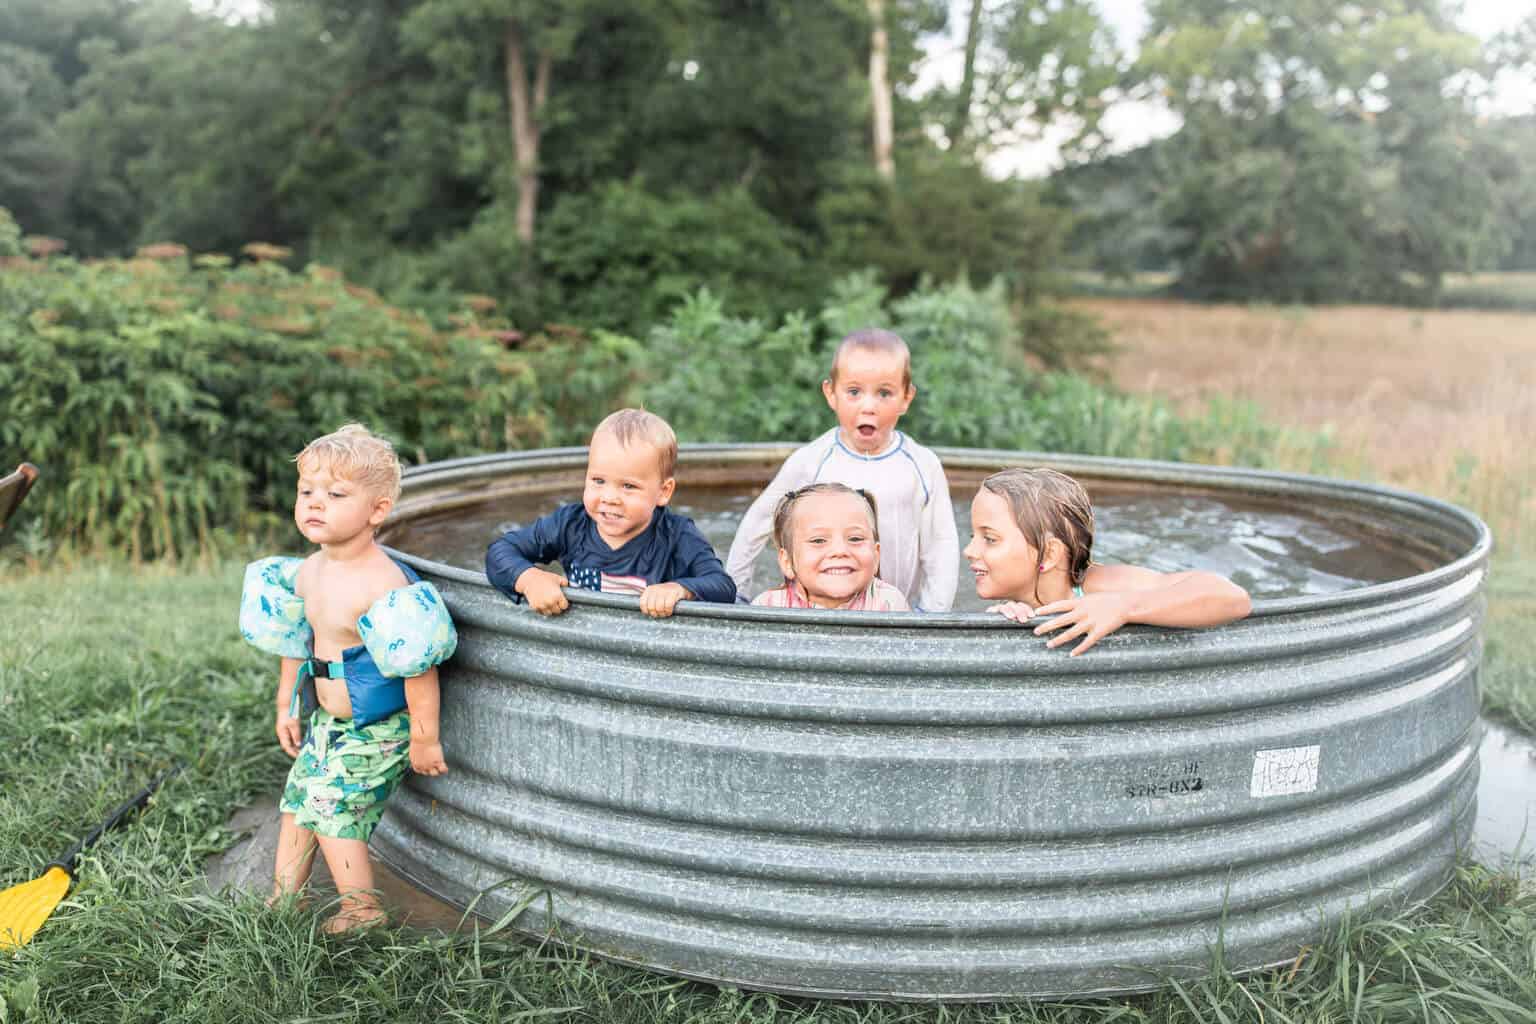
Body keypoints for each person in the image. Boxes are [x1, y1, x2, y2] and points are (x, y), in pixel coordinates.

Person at [238, 424, 457, 933]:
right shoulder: (309, 571)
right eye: (307, 492)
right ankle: (283, 898)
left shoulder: (381, 583)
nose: (316, 503)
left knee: (334, 809)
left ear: (377, 510)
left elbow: (417, 666)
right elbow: (296, 643)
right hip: (327, 721)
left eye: (335, 495)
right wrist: (286, 706)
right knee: (298, 802)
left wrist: (424, 739)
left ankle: (363, 908)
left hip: (379, 727)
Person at [725, 328, 959, 610]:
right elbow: (757, 523)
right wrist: (735, 595)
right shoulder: (812, 461)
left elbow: (941, 546)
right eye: (854, 392)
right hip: (814, 609)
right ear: (831, 393)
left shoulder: (922, 465)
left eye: (884, 393)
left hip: (894, 613)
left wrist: (931, 615)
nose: (868, 406)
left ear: (906, 398)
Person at [966, 467, 1251, 654]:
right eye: (972, 536)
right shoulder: (1011, 609)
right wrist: (1007, 623)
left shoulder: (1102, 586)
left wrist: (1123, 606)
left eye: (989, 539)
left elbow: (1232, 596)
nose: (968, 550)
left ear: (1050, 554)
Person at [485, 409, 736, 616]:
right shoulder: (571, 524)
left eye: (628, 486)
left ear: (663, 491)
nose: (609, 498)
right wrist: (529, 579)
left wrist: (680, 589)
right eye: (598, 481)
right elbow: (500, 551)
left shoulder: (677, 536)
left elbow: (723, 587)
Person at [751, 483, 909, 611]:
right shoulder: (769, 606)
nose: (840, 551)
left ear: (876, 556)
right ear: (787, 562)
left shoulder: (889, 604)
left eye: (855, 538)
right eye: (818, 541)